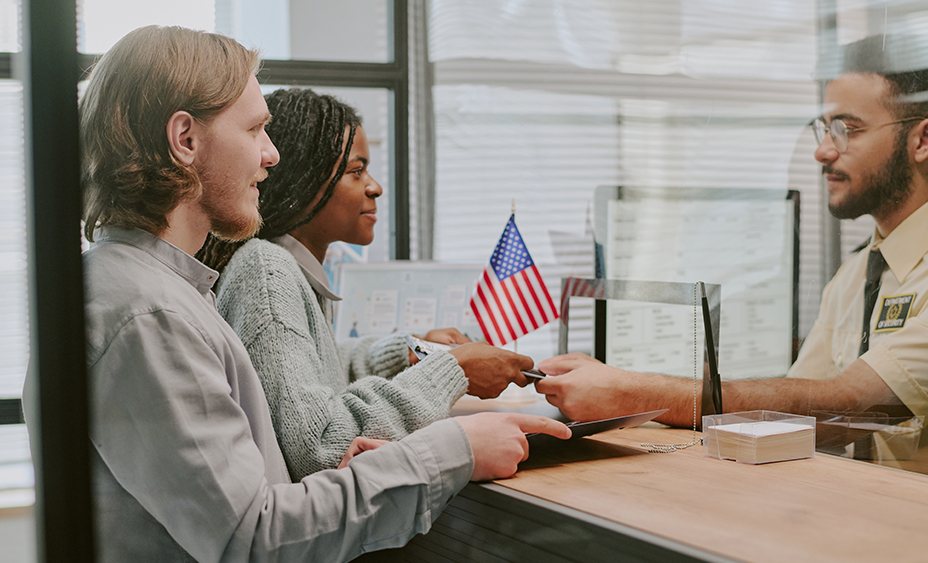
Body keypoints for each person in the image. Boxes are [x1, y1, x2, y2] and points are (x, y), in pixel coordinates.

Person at [72, 25, 569, 562]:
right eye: (256, 130)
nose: (271, 155)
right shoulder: (149, 315)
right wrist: (452, 450)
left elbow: (249, 493)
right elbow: (255, 538)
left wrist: (366, 463)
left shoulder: (163, 292)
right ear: (185, 139)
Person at [536, 34, 928, 475]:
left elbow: (850, 404)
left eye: (847, 129)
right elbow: (794, 413)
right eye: (825, 128)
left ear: (923, 140)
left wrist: (633, 394)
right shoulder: (857, 270)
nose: (823, 151)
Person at [198, 88, 535, 481]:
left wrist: (408, 352)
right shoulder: (267, 271)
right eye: (356, 172)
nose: (374, 187)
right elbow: (321, 446)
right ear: (304, 182)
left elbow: (314, 370)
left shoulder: (282, 265)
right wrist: (450, 370)